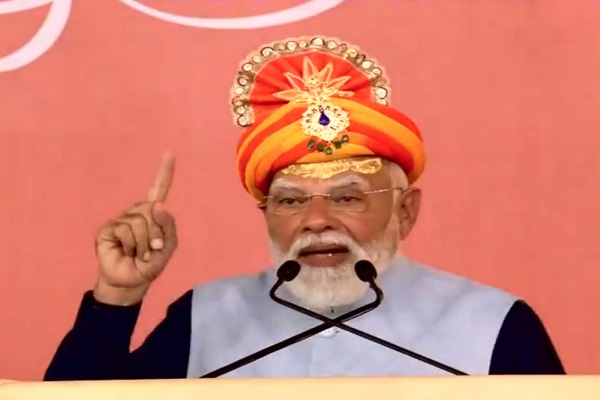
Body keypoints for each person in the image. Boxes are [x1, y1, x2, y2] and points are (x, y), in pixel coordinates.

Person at [44, 35, 565, 381]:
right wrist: (117, 297)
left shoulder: (494, 324)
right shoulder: (206, 316)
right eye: (290, 200)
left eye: (347, 197)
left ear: (405, 212)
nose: (315, 221)